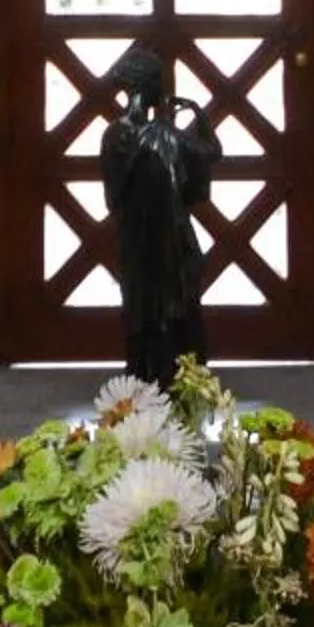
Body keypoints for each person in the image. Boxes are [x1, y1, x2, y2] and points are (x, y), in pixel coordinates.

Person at [100, 45, 222, 383]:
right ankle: (183, 383)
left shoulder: (114, 136)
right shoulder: (166, 135)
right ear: (147, 86)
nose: (162, 90)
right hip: (174, 244)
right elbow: (211, 153)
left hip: (136, 245)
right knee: (178, 314)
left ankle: (143, 380)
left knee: (141, 313)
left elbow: (113, 198)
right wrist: (199, 115)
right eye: (157, 81)